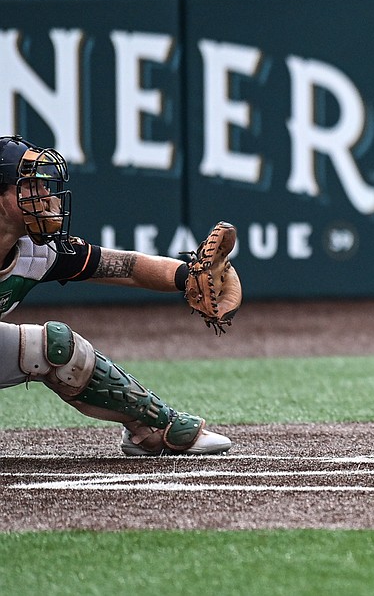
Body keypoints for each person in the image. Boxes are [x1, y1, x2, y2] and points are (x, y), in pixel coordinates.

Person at [0, 136, 234, 456]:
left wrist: (188, 277)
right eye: (30, 185)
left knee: (58, 348)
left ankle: (153, 429)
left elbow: (128, 267)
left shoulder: (38, 251)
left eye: (44, 185)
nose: (45, 195)